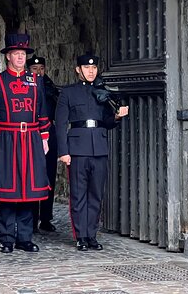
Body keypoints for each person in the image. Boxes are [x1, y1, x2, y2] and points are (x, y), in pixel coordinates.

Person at [0, 33, 51, 254]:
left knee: (29, 190)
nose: (20, 57)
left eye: (23, 54)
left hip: (30, 139)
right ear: (8, 56)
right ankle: (7, 238)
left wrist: (45, 137)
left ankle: (25, 238)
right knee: (8, 190)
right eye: (16, 54)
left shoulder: (35, 81)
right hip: (7, 139)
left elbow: (42, 111)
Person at [55, 53, 129, 251]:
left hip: (99, 148)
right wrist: (63, 151)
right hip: (77, 149)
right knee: (79, 195)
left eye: (94, 68)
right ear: (78, 69)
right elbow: (61, 123)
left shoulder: (102, 91)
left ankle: (92, 235)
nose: (90, 71)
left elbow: (106, 122)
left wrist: (117, 116)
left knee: (96, 194)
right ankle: (80, 236)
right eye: (87, 68)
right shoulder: (69, 93)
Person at [26, 54, 59, 233]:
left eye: (41, 69)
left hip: (50, 132)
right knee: (32, 176)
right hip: (33, 133)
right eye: (34, 69)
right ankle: (31, 219)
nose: (38, 72)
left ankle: (46, 217)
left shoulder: (50, 86)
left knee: (49, 175)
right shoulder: (25, 86)